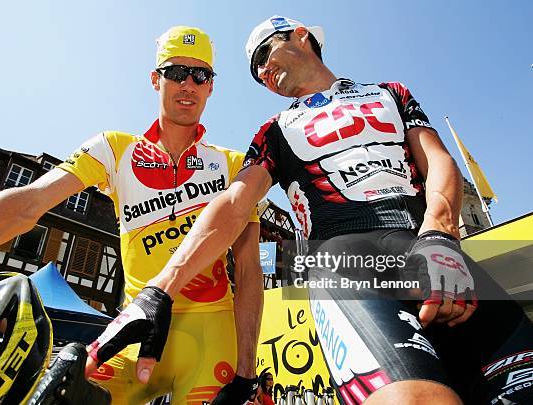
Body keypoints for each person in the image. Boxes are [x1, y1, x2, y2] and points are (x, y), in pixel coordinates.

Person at [134, 16, 533, 405]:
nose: (262, 71)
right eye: (256, 71)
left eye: (264, 54)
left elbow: (439, 160)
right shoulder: (272, 130)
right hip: (343, 263)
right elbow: (235, 202)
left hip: (429, 247)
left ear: (302, 36)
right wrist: (160, 289)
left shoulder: (391, 92)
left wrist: (439, 235)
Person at [0, 26, 263, 404]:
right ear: (155, 79)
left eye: (200, 75)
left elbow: (249, 270)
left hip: (211, 335)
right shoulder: (115, 149)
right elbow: (27, 203)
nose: (188, 84)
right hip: (136, 325)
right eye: (175, 72)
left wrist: (246, 373)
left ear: (211, 86)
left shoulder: (235, 165)